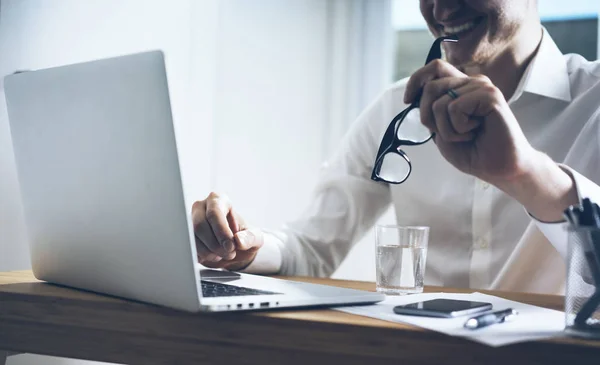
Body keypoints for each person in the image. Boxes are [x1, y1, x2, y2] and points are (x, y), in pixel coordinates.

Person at [192, 0, 600, 294]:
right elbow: (311, 250)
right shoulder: (393, 110)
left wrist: (525, 174)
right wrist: (242, 247)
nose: (440, 11)